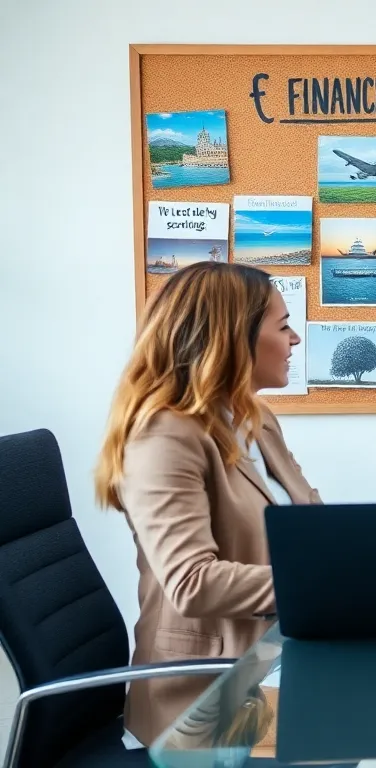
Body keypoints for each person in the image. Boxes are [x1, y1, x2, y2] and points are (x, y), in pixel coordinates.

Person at [93, 262, 317, 746]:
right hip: (203, 698)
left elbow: (310, 527)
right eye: (282, 326)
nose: (295, 339)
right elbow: (192, 582)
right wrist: (325, 585)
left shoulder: (254, 417)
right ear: (232, 338)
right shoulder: (163, 433)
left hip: (275, 656)